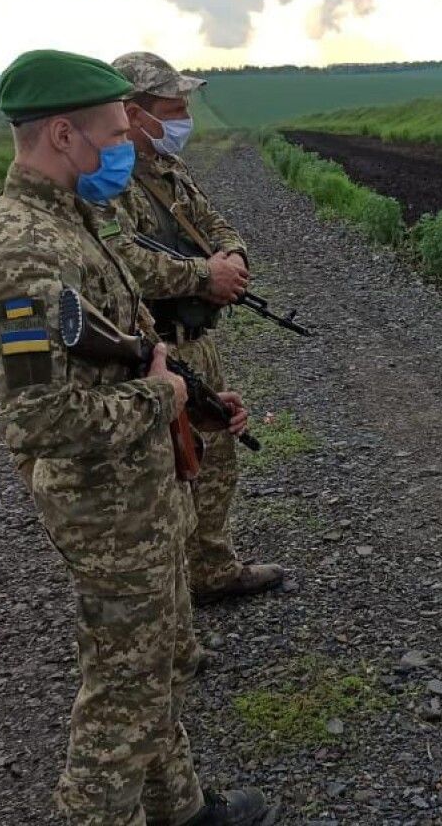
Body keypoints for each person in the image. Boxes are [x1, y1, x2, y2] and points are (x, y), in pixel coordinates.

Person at [0, 49, 274, 826]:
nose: (126, 145)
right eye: (114, 131)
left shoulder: (68, 218)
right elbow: (40, 420)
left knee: (161, 663)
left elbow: (117, 355)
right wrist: (160, 393)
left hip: (142, 489)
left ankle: (181, 807)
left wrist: (190, 405)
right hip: (105, 508)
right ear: (64, 135)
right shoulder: (23, 250)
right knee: (122, 694)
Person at [103, 51, 285, 604]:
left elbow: (216, 222)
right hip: (153, 349)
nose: (185, 114)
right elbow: (123, 262)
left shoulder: (168, 169)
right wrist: (205, 275)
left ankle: (211, 567)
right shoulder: (108, 183)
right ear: (133, 113)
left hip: (196, 342)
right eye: (173, 105)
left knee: (216, 452)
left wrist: (231, 256)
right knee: (169, 470)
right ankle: (172, 593)